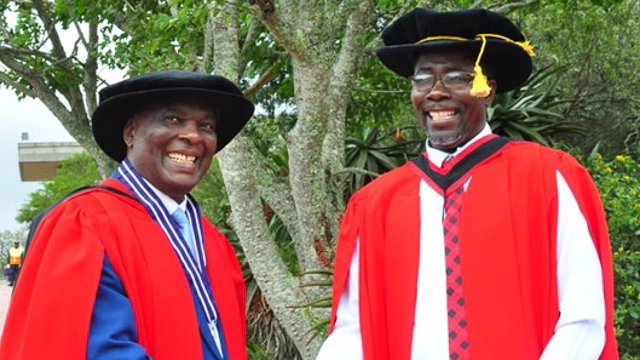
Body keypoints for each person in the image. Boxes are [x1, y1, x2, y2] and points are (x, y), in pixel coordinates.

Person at [317, 8, 619, 360]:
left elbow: (583, 318)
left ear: (487, 90)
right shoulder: (375, 204)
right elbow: (354, 330)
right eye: (423, 79)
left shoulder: (547, 177)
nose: (436, 92)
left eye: (457, 78)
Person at [0, 70, 254, 360]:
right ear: (131, 132)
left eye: (206, 125)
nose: (193, 135)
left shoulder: (214, 243)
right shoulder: (85, 223)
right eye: (173, 119)